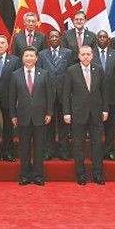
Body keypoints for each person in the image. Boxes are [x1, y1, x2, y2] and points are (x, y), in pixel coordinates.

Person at [9, 47, 54, 186]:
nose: (29, 58)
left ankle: (38, 175)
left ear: (36, 58)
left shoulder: (44, 74)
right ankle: (24, 175)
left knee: (39, 148)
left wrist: (49, 112)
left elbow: (49, 95)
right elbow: (12, 97)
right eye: (26, 56)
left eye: (31, 56)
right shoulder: (15, 75)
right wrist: (13, 115)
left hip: (40, 116)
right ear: (22, 58)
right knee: (24, 148)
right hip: (22, 117)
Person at [63, 45, 107, 185]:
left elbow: (104, 91)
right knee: (78, 146)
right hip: (78, 113)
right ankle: (80, 175)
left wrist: (105, 110)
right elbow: (66, 94)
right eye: (83, 54)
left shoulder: (98, 69)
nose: (86, 57)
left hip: (96, 113)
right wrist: (66, 112)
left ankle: (97, 174)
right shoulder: (71, 70)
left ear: (92, 55)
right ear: (79, 56)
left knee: (97, 145)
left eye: (88, 54)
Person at [39, 29, 72, 160]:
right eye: (51, 37)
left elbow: (71, 73)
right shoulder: (42, 54)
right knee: (48, 124)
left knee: (64, 124)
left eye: (56, 36)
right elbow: (40, 74)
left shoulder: (68, 53)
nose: (53, 38)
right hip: (47, 95)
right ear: (48, 39)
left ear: (60, 38)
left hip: (64, 93)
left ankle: (64, 150)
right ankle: (49, 149)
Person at [93, 30, 115, 160]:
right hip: (94, 97)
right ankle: (97, 152)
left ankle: (109, 151)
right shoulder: (90, 53)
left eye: (104, 37)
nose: (102, 39)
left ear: (108, 39)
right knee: (96, 127)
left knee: (110, 128)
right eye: (99, 36)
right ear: (96, 39)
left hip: (112, 96)